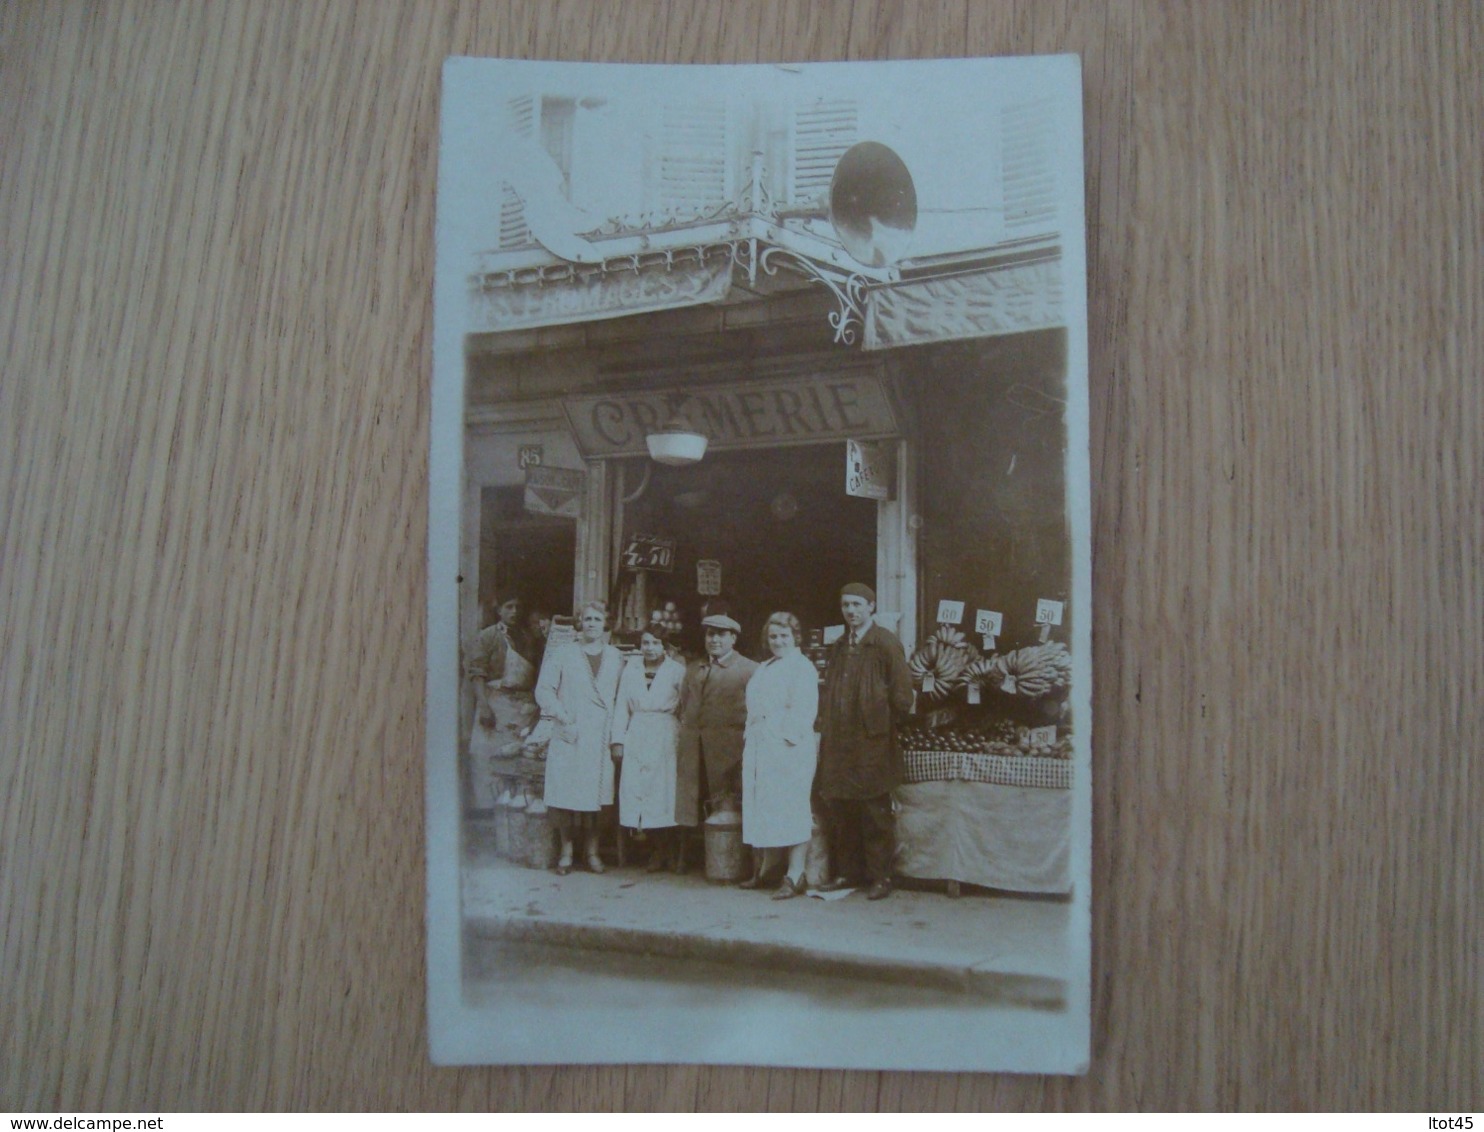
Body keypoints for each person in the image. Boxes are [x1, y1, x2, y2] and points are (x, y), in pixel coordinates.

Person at [815, 582, 914, 901]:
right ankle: (848, 872)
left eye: (857, 605)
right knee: (843, 809)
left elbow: (903, 696)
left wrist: (881, 727)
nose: (851, 611)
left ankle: (880, 877)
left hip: (872, 742)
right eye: (846, 605)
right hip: (840, 741)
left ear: (871, 607)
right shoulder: (840, 646)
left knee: (874, 812)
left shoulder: (885, 643)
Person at [534, 601, 624, 875]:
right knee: (566, 797)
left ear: (605, 624)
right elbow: (544, 690)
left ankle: (593, 852)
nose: (592, 624)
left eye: (597, 619)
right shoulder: (563, 653)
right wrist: (562, 716)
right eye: (587, 619)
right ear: (579, 623)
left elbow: (620, 699)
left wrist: (616, 736)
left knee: (596, 800)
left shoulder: (615, 657)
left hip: (599, 738)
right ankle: (566, 852)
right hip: (570, 733)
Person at [739, 612, 819, 899]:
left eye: (784, 635)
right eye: (773, 636)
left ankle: (795, 874)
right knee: (765, 807)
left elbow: (803, 711)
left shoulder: (802, 667)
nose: (778, 641)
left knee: (792, 807)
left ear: (795, 637)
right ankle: (766, 870)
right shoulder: (765, 667)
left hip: (788, 749)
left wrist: (785, 739)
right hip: (761, 746)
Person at [675, 609, 758, 868]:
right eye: (710, 634)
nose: (714, 640)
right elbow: (684, 704)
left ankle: (733, 861)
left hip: (728, 749)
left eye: (721, 635)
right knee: (690, 801)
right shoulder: (694, 669)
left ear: (733, 638)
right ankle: (686, 856)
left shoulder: (748, 669)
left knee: (728, 802)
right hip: (694, 746)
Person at [609, 624, 686, 871]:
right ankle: (653, 849)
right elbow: (621, 706)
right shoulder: (630, 670)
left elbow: (685, 708)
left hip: (665, 733)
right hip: (638, 731)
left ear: (665, 646)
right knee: (639, 791)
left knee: (665, 793)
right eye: (646, 643)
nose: (650, 648)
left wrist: (684, 740)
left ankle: (669, 852)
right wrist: (618, 740)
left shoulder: (677, 672)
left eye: (655, 643)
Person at [465, 595, 540, 806]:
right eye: (509, 607)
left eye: (518, 607)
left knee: (517, 758)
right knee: (488, 758)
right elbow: (477, 673)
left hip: (522, 707)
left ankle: (513, 808)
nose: (514, 612)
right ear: (499, 610)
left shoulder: (527, 637)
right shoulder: (487, 636)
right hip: (495, 704)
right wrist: (483, 705)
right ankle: (487, 809)